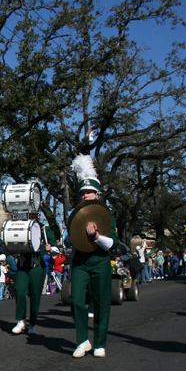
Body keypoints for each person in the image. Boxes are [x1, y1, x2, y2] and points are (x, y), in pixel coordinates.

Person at [68, 154, 118, 359]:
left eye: (89, 192)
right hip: (80, 262)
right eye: (83, 193)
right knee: (76, 300)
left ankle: (100, 343)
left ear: (97, 194)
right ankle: (82, 341)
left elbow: (111, 243)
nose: (86, 195)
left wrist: (96, 236)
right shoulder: (74, 214)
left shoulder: (108, 214)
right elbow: (68, 241)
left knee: (101, 302)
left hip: (100, 261)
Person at [11, 220, 56, 335]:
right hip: (22, 266)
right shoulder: (20, 226)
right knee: (19, 290)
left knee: (35, 295)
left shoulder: (44, 229)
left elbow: (56, 248)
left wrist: (50, 249)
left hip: (37, 266)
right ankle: (21, 320)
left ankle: (32, 323)